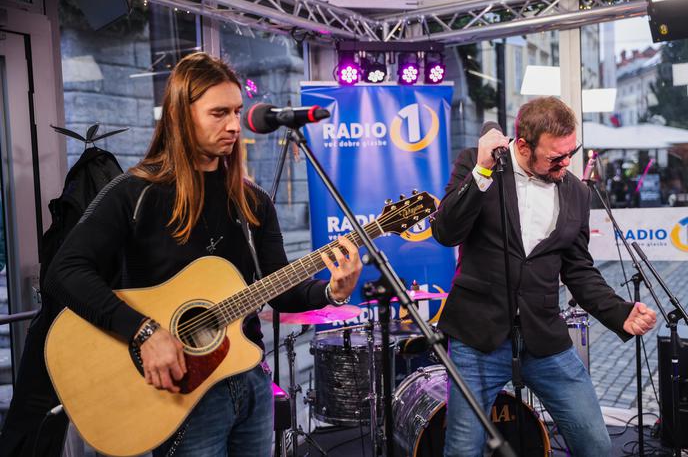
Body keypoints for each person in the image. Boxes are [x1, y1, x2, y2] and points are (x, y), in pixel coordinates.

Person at [39, 52, 362, 456]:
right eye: (218, 113)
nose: (233, 125)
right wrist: (144, 331)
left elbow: (276, 288)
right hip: (179, 393)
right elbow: (63, 271)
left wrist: (332, 290)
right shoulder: (135, 193)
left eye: (238, 111)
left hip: (249, 379)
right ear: (180, 116)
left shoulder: (253, 203)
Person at [431, 96, 656, 457]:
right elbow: (446, 232)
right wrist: (482, 172)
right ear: (522, 145)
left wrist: (619, 311)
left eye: (572, 152)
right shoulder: (477, 167)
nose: (566, 163)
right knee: (462, 449)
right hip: (477, 339)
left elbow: (579, 269)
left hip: (544, 339)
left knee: (595, 443)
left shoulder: (577, 192)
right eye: (556, 157)